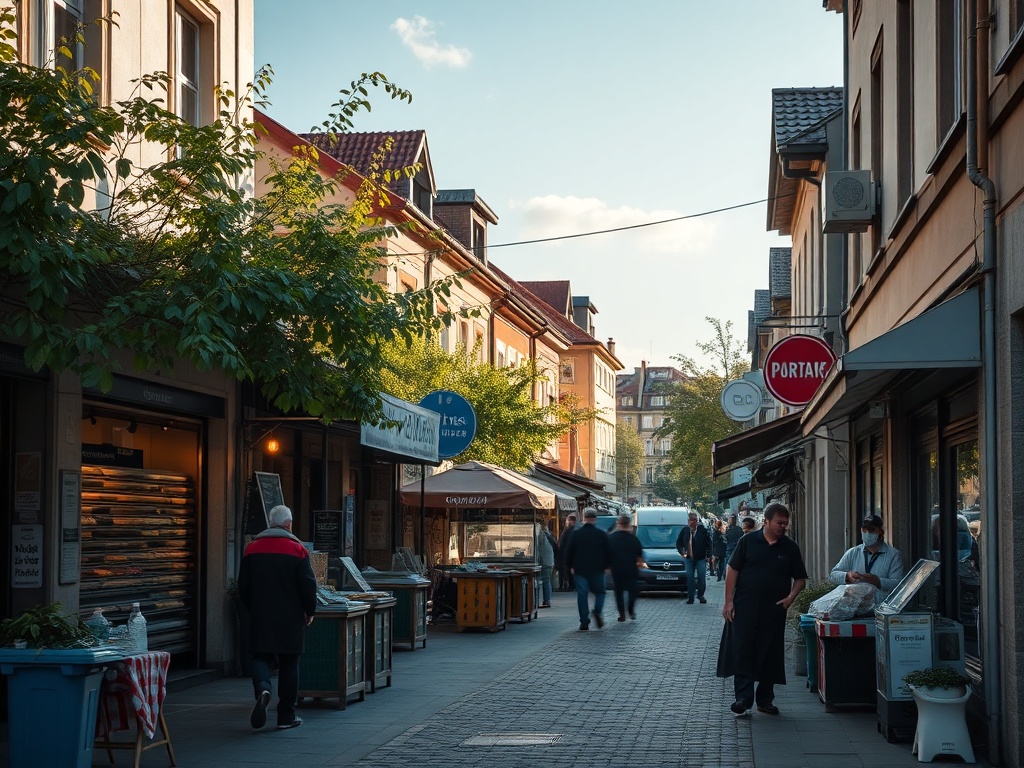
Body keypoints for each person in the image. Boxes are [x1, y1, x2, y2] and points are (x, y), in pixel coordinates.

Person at [721, 502, 807, 717]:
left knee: (770, 652)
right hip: (744, 607)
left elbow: (800, 579)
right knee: (743, 649)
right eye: (779, 523)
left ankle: (765, 700)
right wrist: (729, 601)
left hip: (774, 610)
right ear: (766, 521)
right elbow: (732, 570)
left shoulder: (789, 547)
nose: (783, 527)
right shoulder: (748, 541)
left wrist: (790, 599)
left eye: (785, 523)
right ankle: (743, 699)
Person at [237, 504, 317, 731]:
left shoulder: (252, 549)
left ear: (270, 523)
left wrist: (253, 608)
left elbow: (243, 585)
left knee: (260, 657)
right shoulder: (298, 550)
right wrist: (309, 611)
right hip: (291, 617)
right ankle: (286, 716)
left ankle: (263, 688)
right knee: (290, 663)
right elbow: (308, 585)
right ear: (288, 524)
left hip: (261, 615)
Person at [828, 513, 904, 603]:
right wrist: (847, 576)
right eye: (864, 530)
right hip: (854, 605)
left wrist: (878, 581)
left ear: (880, 532)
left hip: (880, 605)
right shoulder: (853, 552)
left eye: (871, 530)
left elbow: (898, 585)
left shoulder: (894, 555)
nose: (867, 533)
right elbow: (833, 575)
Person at [563, 507, 612, 630]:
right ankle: (597, 611)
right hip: (598, 569)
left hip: (580, 569)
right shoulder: (601, 534)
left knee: (582, 594)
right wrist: (607, 566)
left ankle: (584, 621)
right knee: (600, 593)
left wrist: (570, 566)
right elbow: (608, 552)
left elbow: (568, 552)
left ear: (584, 518)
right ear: (595, 519)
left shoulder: (576, 534)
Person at [607, 513, 643, 621]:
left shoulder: (611, 538)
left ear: (618, 524)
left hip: (616, 570)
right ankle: (631, 610)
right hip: (631, 569)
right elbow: (639, 556)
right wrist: (639, 566)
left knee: (618, 593)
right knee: (633, 591)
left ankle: (622, 614)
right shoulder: (633, 539)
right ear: (628, 524)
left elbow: (606, 554)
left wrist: (608, 567)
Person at [676, 510, 711, 604]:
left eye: (695, 520)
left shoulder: (702, 530)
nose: (692, 522)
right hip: (688, 558)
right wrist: (682, 552)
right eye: (691, 520)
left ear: (697, 521)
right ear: (688, 521)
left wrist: (709, 555)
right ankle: (690, 597)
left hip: (700, 558)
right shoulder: (685, 531)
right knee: (690, 578)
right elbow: (678, 543)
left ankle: (700, 595)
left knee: (701, 578)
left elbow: (708, 543)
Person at [535, 520, 558, 608]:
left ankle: (538, 601)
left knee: (540, 581)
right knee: (547, 581)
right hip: (549, 561)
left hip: (544, 561)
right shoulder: (548, 534)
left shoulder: (541, 534)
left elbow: (538, 548)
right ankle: (547, 600)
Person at [556, 513, 578, 590]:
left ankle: (570, 585)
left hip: (566, 554)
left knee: (567, 570)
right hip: (572, 554)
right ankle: (572, 585)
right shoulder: (575, 531)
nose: (567, 522)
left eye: (568, 521)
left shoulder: (568, 531)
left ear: (571, 521)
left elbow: (564, 544)